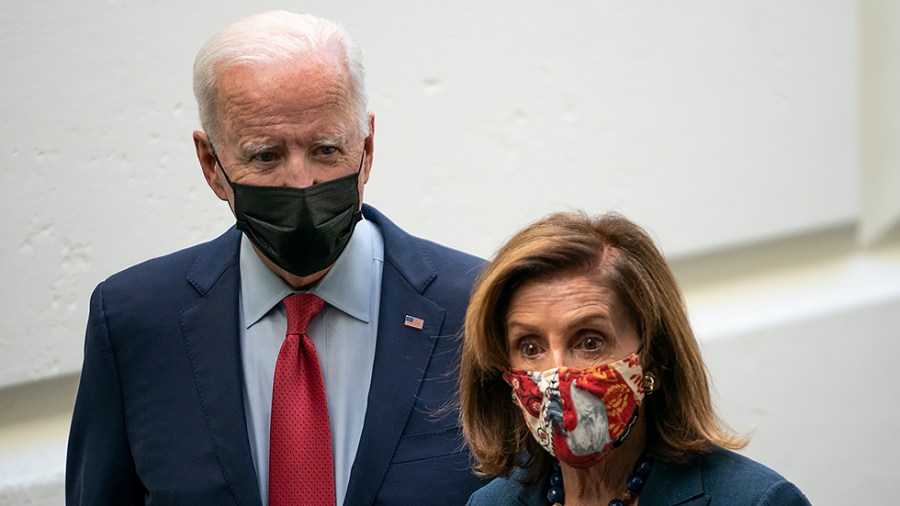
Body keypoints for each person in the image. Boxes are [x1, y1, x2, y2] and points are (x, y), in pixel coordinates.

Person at [66, 10, 486, 505]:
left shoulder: (479, 308)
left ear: (367, 149)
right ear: (211, 165)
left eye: (326, 149)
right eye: (265, 155)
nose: (301, 182)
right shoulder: (135, 322)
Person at [459, 212, 811, 506]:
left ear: (653, 357)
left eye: (590, 342)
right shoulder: (491, 504)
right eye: (530, 347)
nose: (557, 373)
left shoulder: (754, 500)